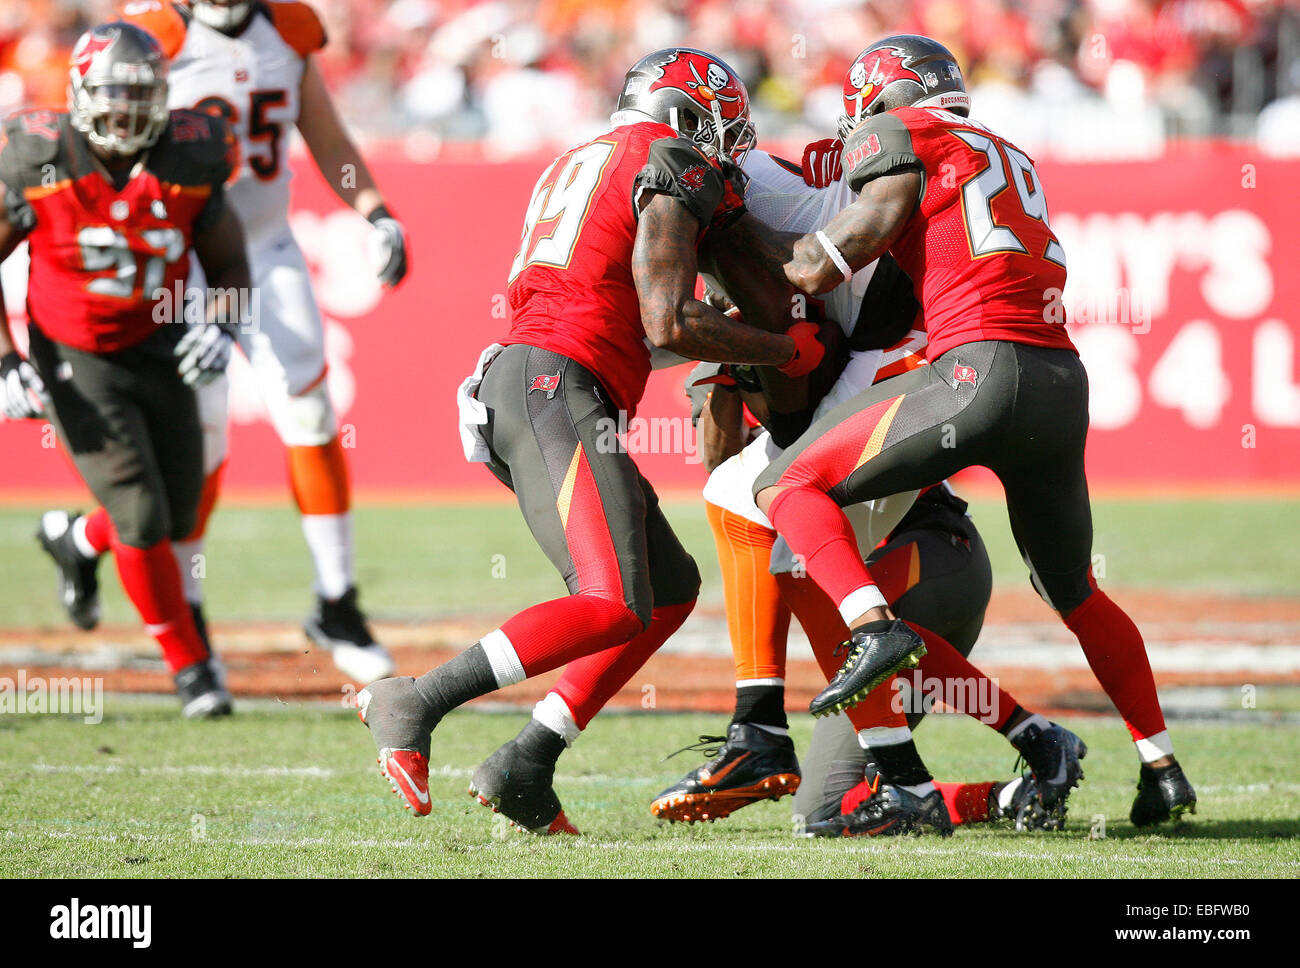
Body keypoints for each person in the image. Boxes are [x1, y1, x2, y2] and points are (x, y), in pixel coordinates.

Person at [356, 47, 833, 831]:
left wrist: (732, 337)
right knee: (611, 599)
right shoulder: (670, 159)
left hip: (549, 378)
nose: (728, 151)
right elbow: (668, 320)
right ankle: (415, 699)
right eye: (720, 130)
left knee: (668, 590)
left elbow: (634, 318)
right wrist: (783, 351)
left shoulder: (590, 157)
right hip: (553, 385)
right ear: (682, 118)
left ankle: (528, 760)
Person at [749, 35, 1195, 827]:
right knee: (1076, 591)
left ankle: (873, 628)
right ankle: (1161, 764)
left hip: (977, 372)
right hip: (1058, 378)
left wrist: (757, 265)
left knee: (788, 484)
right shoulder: (1006, 148)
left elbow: (839, 255)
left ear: (883, 98)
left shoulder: (900, 131)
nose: (856, 129)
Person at [648, 144, 1084, 835]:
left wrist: (761, 340)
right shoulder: (777, 238)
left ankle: (768, 729)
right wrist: (733, 359)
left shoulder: (794, 207)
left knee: (776, 516)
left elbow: (808, 295)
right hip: (883, 550)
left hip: (934, 550)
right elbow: (722, 441)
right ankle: (1016, 753)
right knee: (824, 810)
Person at [40, 0, 410, 683]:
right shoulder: (153, 33)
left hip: (263, 250)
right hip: (175, 259)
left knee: (310, 410)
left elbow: (327, 138)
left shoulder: (290, 26)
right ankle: (182, 600)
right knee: (196, 447)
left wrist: (374, 210)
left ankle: (337, 601)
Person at [1, 21, 248, 717]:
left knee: (174, 512)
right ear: (80, 93)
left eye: (142, 96)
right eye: (113, 95)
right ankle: (192, 669)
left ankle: (76, 540)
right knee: (140, 517)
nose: (127, 112)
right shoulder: (39, 156)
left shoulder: (191, 154)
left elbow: (228, 258)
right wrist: (4, 359)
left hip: (160, 337)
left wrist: (224, 323)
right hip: (75, 350)